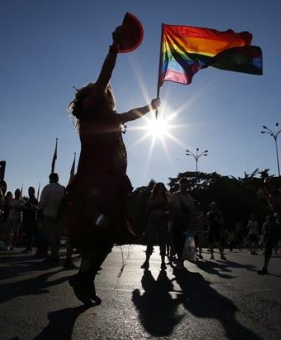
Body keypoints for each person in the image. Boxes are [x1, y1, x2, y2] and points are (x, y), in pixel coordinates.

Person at [65, 25, 161, 305]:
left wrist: (150, 107)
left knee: (107, 235)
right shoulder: (92, 109)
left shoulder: (108, 116)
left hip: (108, 184)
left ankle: (84, 279)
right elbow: (104, 75)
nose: (104, 92)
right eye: (99, 91)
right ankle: (84, 278)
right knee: (102, 234)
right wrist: (115, 48)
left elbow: (129, 115)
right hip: (96, 185)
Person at [256, 177, 281, 276]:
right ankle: (265, 267)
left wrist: (266, 197)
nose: (267, 187)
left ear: (274, 185)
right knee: (268, 244)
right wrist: (267, 197)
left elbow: (279, 202)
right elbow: (273, 207)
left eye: (270, 184)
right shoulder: (270, 195)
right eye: (265, 185)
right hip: (276, 223)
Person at [141, 182, 170, 270]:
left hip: (162, 219)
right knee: (150, 239)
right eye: (159, 187)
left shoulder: (166, 199)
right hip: (153, 218)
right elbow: (147, 209)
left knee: (163, 240)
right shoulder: (151, 198)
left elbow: (169, 210)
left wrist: (165, 213)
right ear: (156, 188)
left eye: (162, 187)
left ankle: (163, 262)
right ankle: (146, 261)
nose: (161, 189)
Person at [169, 178, 196, 268]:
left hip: (185, 222)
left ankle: (181, 258)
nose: (184, 187)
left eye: (185, 185)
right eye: (182, 185)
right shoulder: (175, 195)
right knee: (176, 239)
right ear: (180, 185)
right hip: (177, 220)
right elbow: (170, 207)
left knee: (183, 240)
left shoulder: (189, 198)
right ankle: (178, 257)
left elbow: (192, 212)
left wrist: (191, 223)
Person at [39, 173, 65, 263]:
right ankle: (56, 255)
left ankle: (53, 256)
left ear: (50, 179)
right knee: (57, 237)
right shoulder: (62, 188)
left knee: (51, 237)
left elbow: (42, 203)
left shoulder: (47, 188)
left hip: (49, 214)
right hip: (60, 215)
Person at [21, 186, 38, 254]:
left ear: (33, 191)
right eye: (29, 191)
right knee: (28, 234)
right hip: (27, 218)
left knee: (30, 234)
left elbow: (35, 209)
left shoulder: (34, 199)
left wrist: (28, 207)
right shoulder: (29, 199)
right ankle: (28, 247)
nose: (29, 192)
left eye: (30, 191)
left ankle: (29, 248)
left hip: (31, 218)